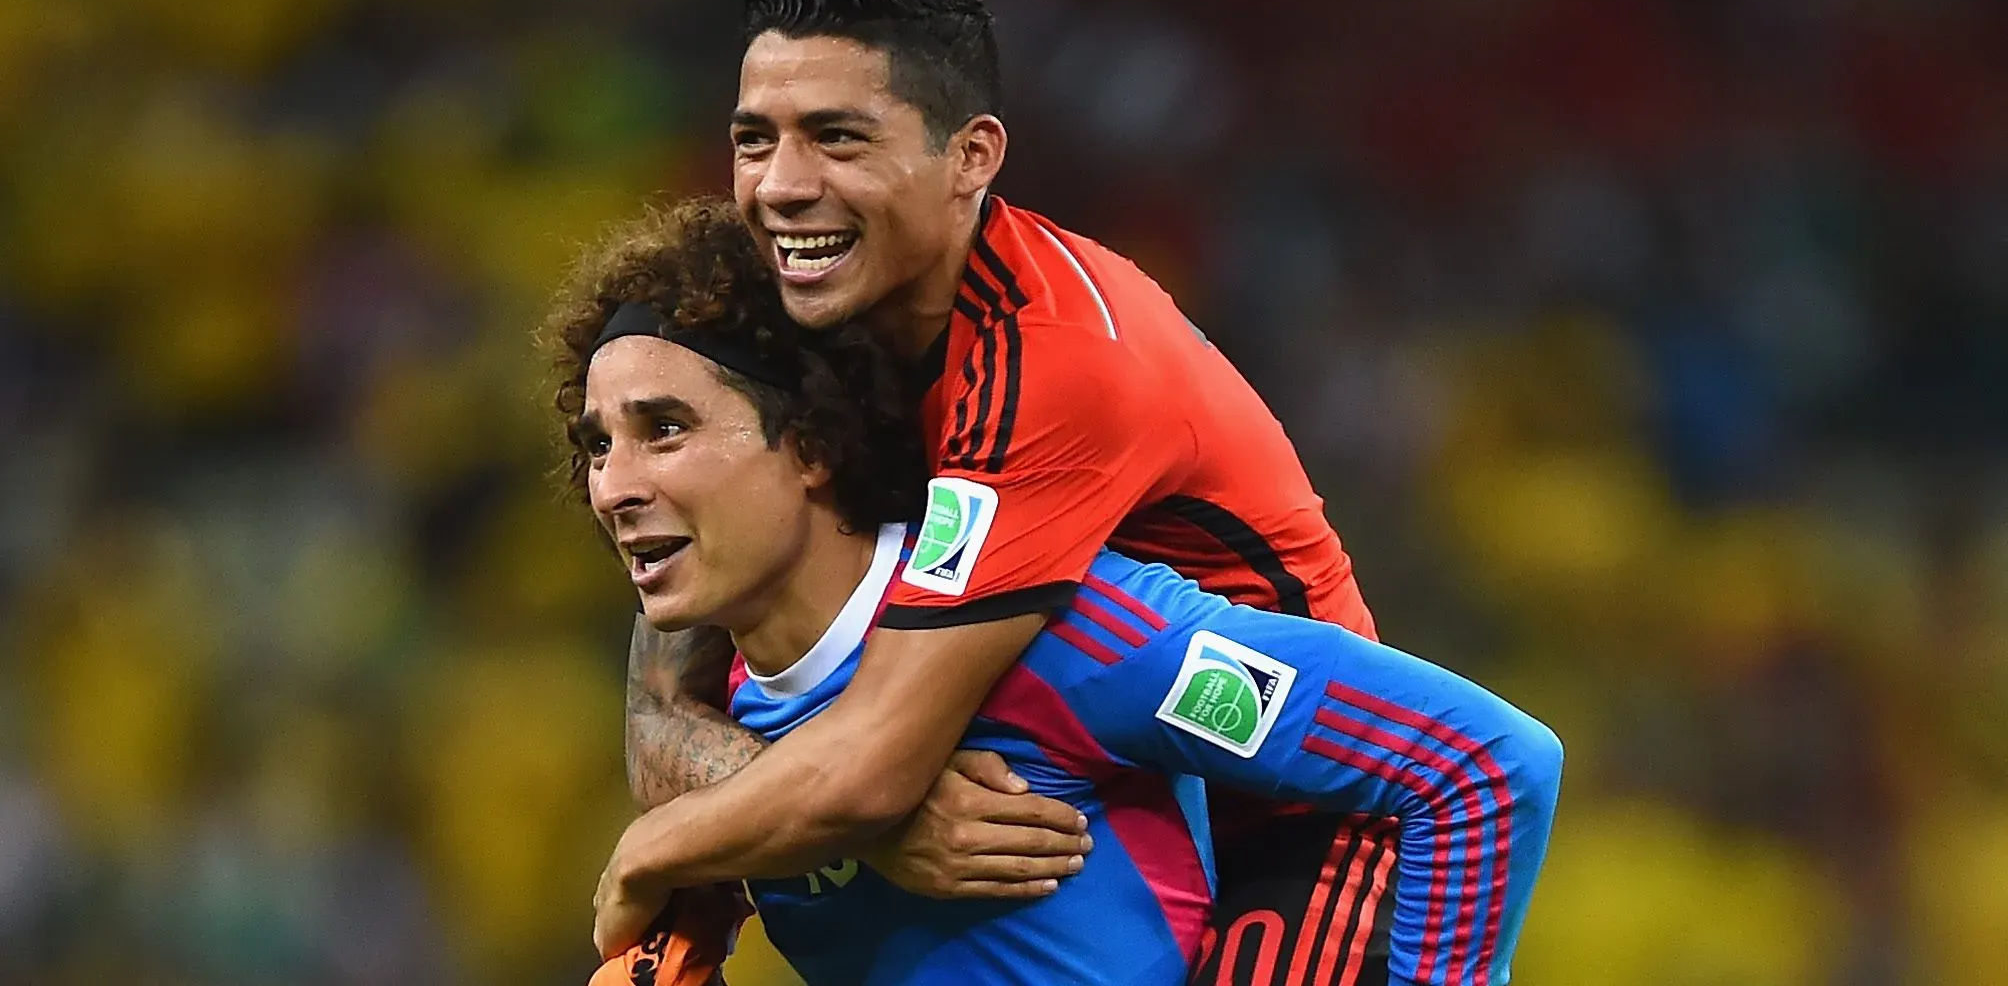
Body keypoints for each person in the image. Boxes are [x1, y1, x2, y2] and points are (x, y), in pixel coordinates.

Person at [602, 0, 1395, 985]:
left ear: (971, 157)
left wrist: (656, 851)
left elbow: (866, 778)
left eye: (837, 138)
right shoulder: (821, 315)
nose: (782, 187)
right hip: (1065, 786)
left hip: (1289, 814)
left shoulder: (1053, 366)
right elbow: (661, 707)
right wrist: (838, 814)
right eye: (756, 141)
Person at [556, 201, 1560, 986]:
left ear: (810, 446)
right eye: (597, 445)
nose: (614, 486)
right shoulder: (720, 716)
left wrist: (658, 848)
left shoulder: (1056, 633)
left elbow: (1480, 764)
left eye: (666, 429)